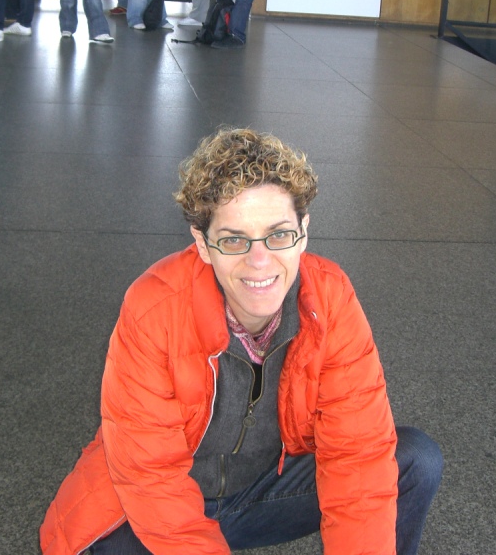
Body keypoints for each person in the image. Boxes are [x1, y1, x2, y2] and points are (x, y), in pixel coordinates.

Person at [40, 127, 443, 554]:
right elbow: (150, 475)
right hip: (160, 506)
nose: (259, 261)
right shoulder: (154, 308)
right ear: (203, 244)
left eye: (279, 234)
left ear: (303, 232)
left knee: (415, 460)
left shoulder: (330, 299)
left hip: (264, 493)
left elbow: (357, 455)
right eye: (234, 239)